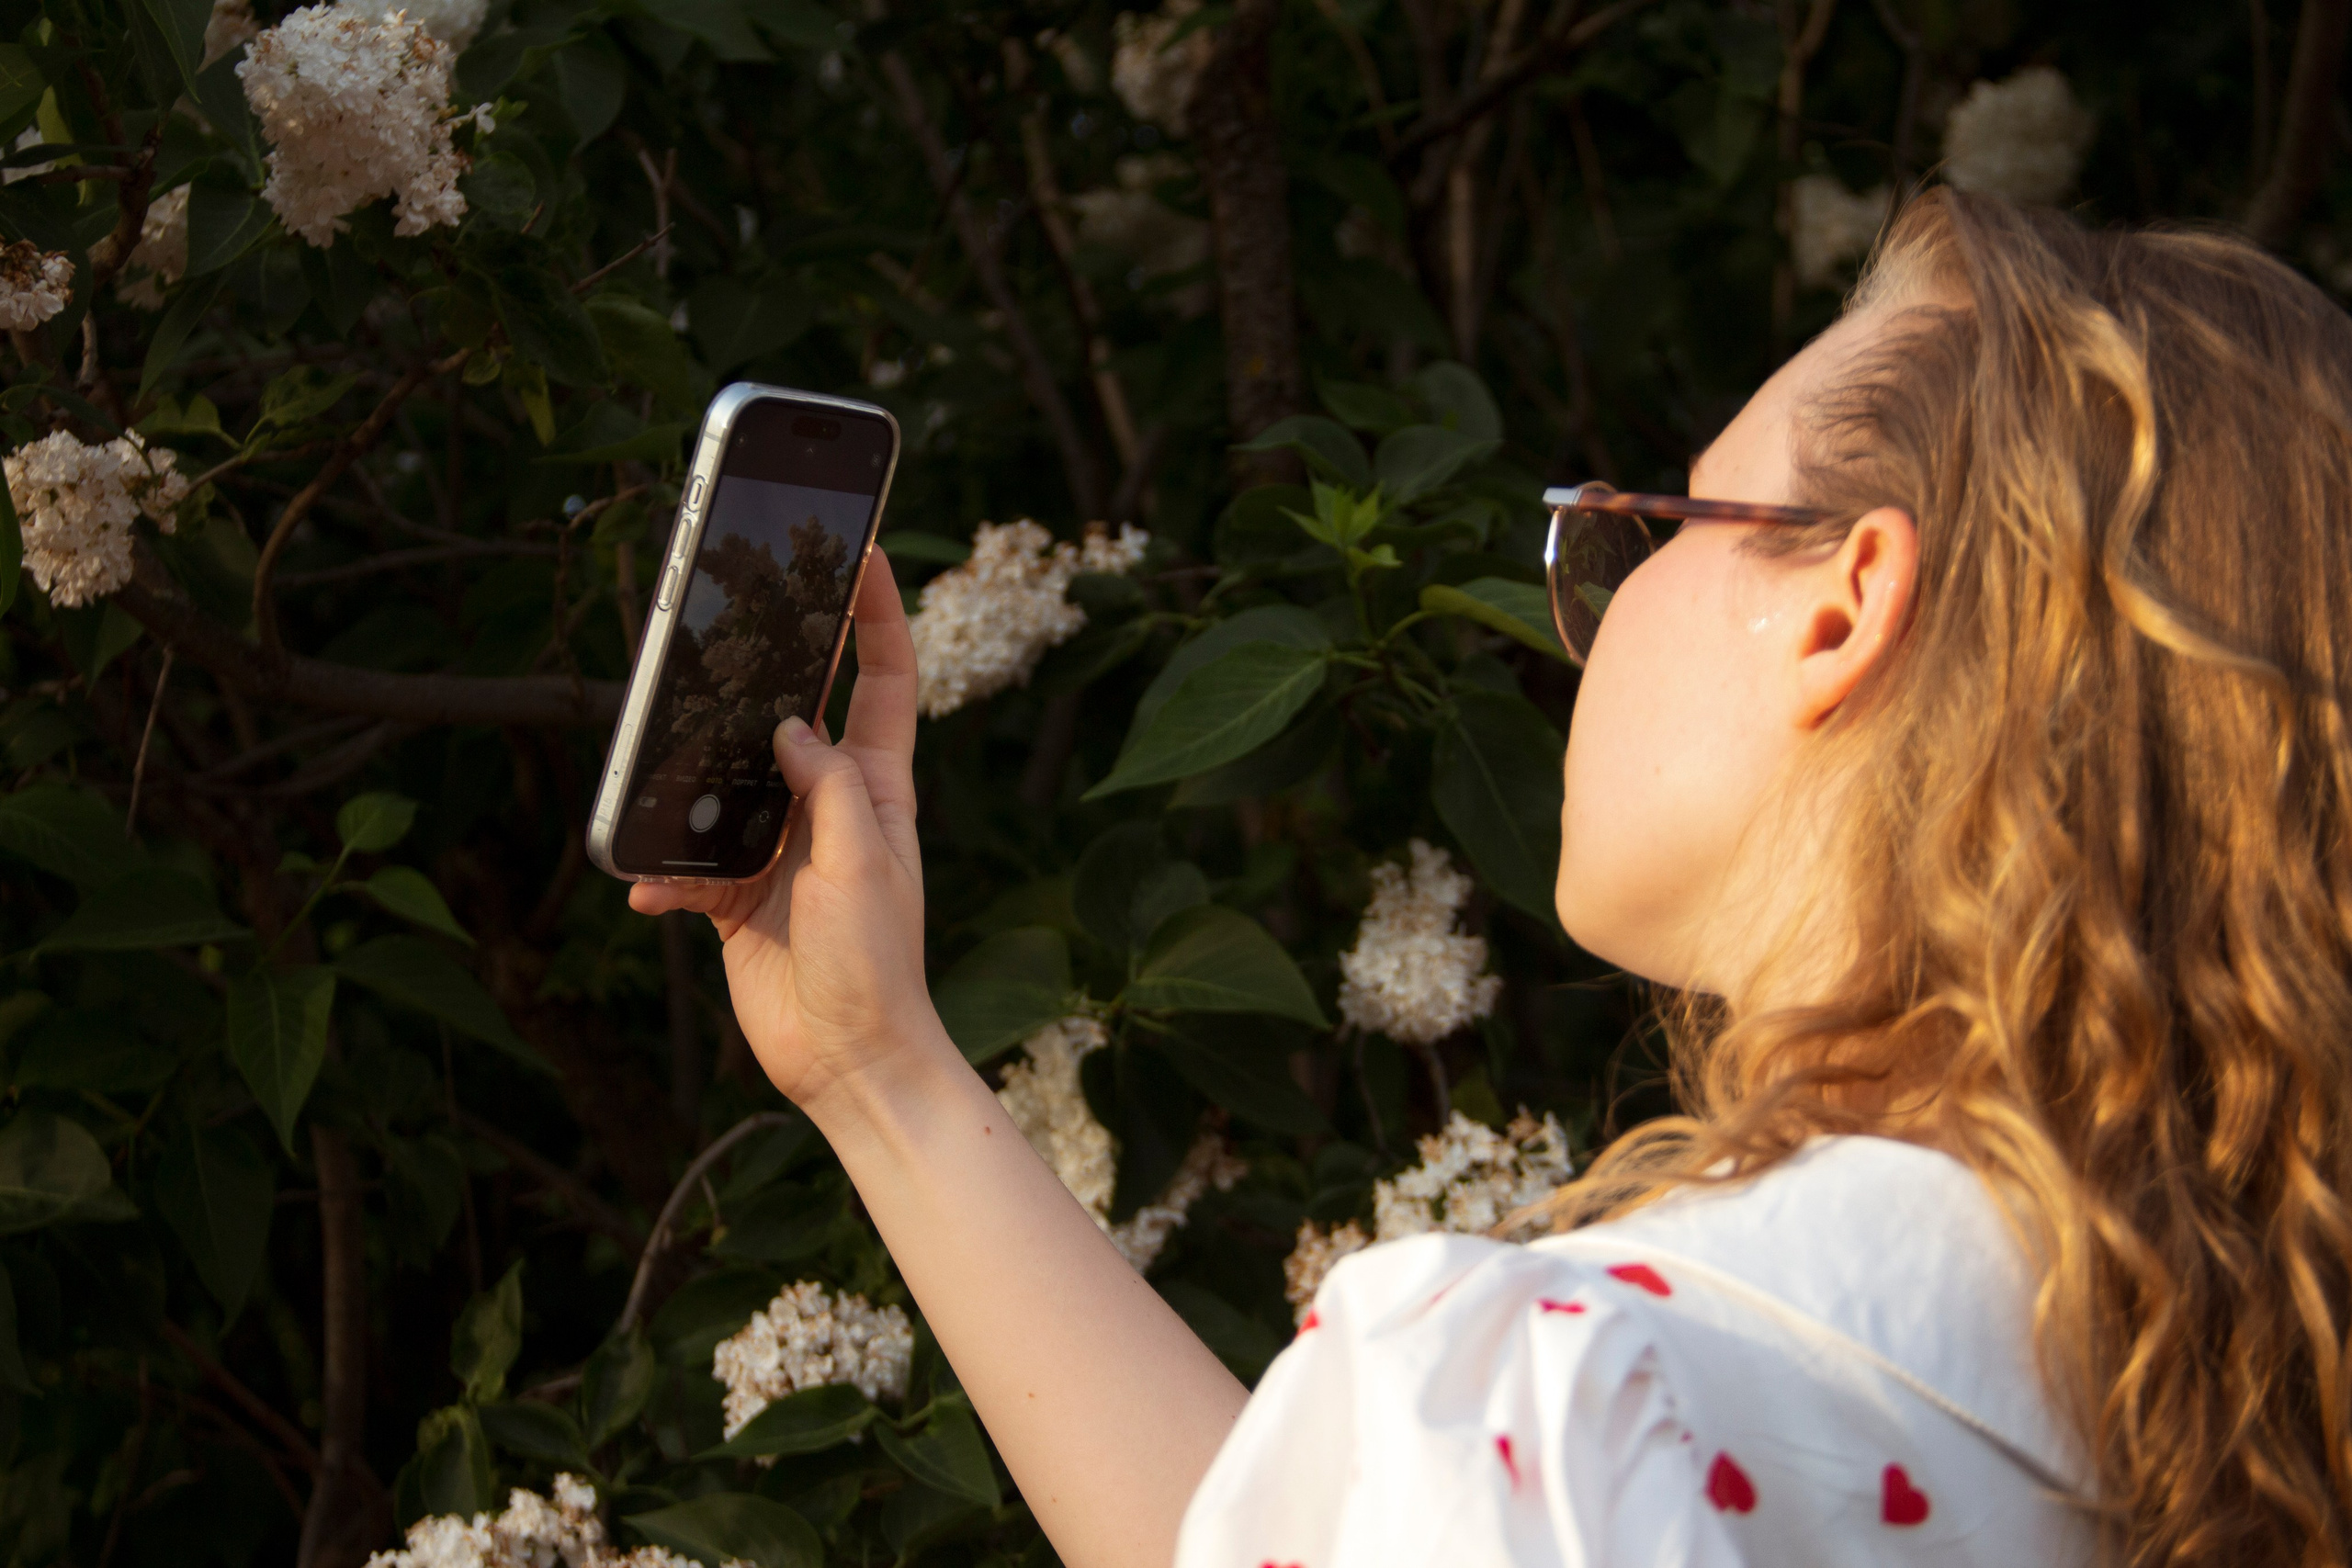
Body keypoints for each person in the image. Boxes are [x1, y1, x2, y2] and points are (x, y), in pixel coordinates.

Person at [628, 189, 2352, 1567]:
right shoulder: (2202, 1414)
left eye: (1656, 523)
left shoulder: (1577, 1397)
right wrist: (881, 1074)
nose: (1592, 608)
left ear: (1842, 609)